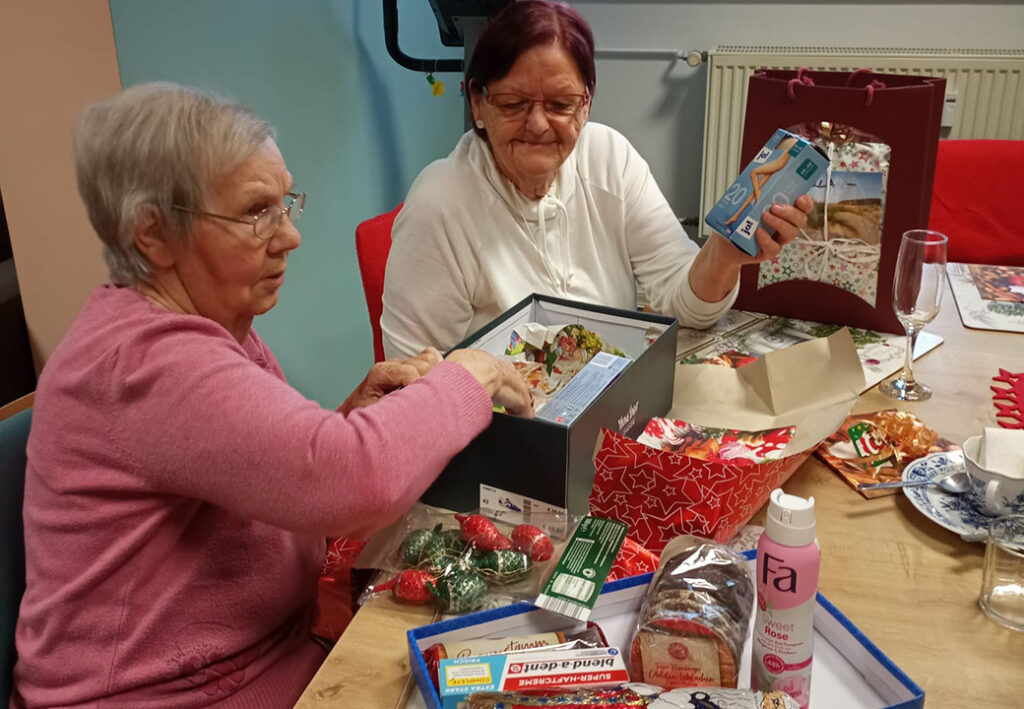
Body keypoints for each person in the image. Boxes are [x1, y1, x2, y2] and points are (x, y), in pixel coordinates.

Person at [11, 82, 532, 709]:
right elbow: (352, 482)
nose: (289, 236)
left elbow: (274, 486)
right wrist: (469, 373)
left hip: (270, 658)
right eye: (257, 212)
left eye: (286, 205)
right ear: (152, 234)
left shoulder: (216, 329)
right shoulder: (147, 362)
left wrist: (350, 417)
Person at [380, 0, 812, 359]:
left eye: (560, 103)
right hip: (504, 439)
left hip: (612, 406)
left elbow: (685, 308)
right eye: (512, 103)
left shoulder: (609, 158)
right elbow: (411, 393)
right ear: (478, 103)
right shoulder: (440, 206)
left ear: (586, 105)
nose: (537, 123)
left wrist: (723, 254)